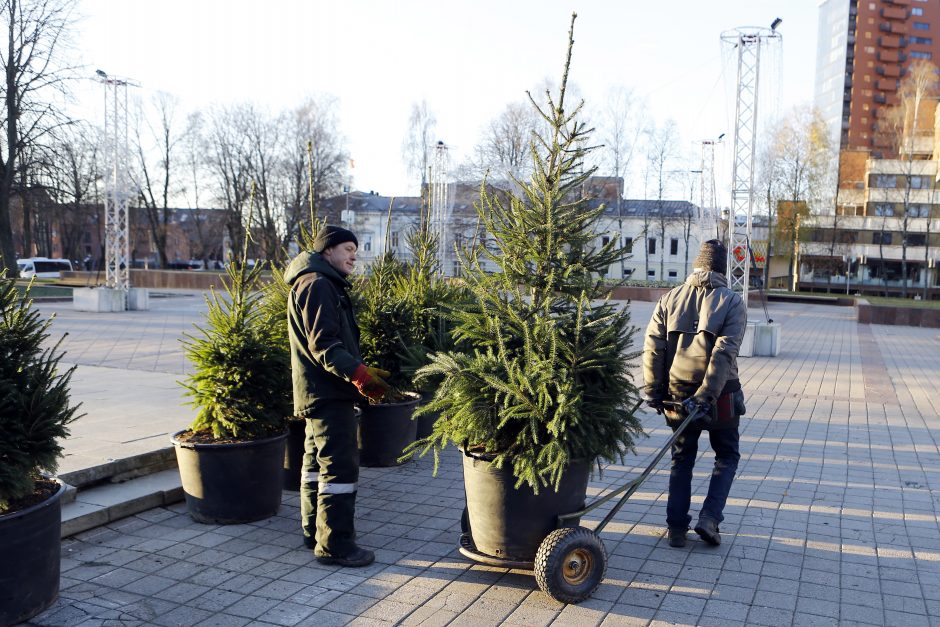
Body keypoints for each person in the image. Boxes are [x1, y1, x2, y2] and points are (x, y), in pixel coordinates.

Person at [285, 225, 391, 567]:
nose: (353, 255)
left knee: (316, 461)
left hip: (319, 390)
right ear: (327, 250)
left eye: (354, 249)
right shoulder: (317, 284)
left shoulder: (316, 281)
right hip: (328, 392)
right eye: (347, 248)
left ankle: (313, 531)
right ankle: (335, 545)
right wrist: (359, 375)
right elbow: (325, 345)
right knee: (339, 467)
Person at [642, 239, 747, 548]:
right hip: (720, 396)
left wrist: (653, 389)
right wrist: (706, 395)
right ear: (721, 269)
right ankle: (710, 519)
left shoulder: (669, 299)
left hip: (676, 392)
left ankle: (676, 528)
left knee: (681, 458)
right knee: (726, 455)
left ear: (696, 265)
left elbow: (653, 349)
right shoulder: (732, 301)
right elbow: (723, 353)